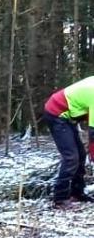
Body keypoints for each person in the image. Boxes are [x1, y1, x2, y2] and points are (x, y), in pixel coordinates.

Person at [43, 77, 94, 209]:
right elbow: (93, 133)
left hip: (67, 115)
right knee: (71, 157)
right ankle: (60, 199)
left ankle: (77, 192)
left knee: (81, 155)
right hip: (56, 113)